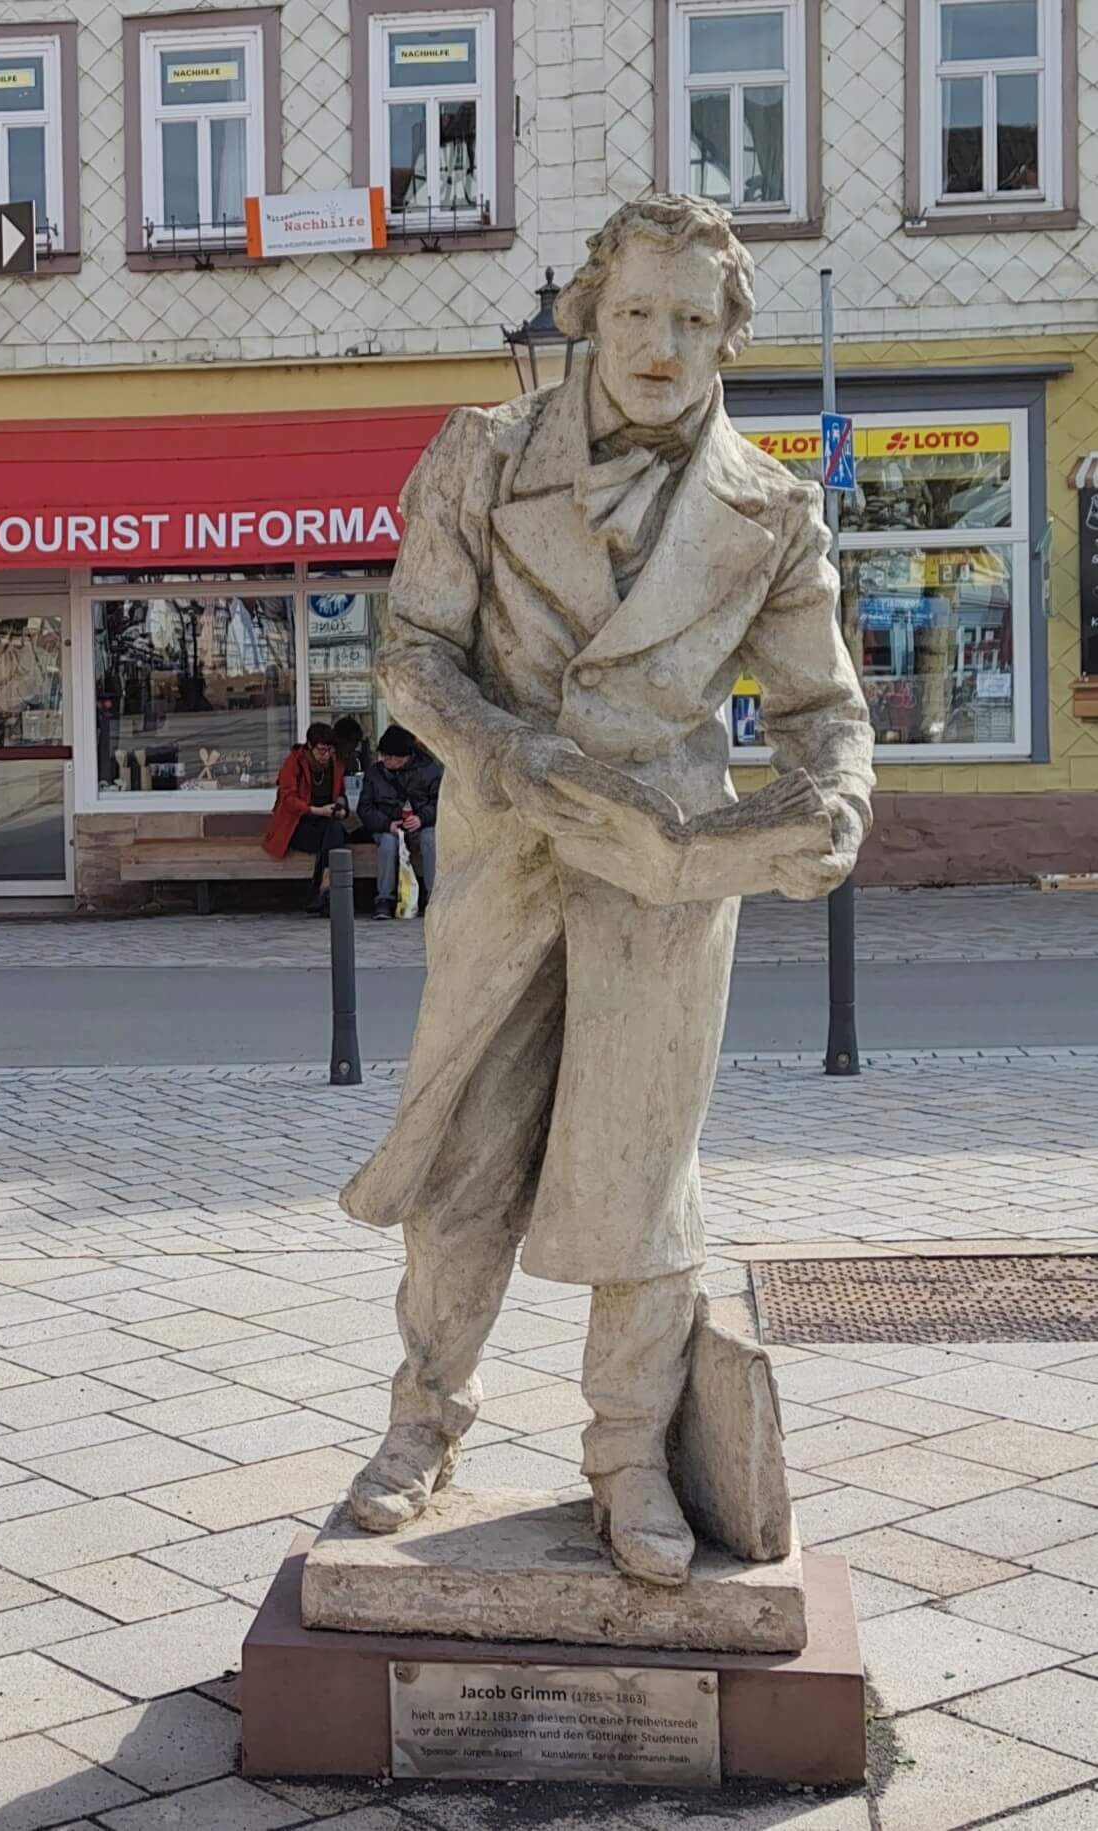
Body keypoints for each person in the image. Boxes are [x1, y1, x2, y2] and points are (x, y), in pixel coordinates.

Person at [338, 196, 874, 1587]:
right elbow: (408, 654)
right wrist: (506, 753)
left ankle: (626, 1453)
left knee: (640, 1179)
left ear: (724, 339)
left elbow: (823, 710)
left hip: (666, 865)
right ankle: (420, 1417)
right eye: (635, 310)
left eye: (689, 319)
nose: (657, 341)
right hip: (509, 850)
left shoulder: (767, 512)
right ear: (589, 308)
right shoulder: (480, 453)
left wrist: (831, 807)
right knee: (462, 1157)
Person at [261, 722, 348, 915]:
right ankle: (322, 892)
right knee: (334, 838)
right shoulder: (294, 762)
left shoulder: (335, 763)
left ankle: (322, 893)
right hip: (296, 825)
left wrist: (342, 809)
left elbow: (340, 792)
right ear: (310, 746)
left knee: (333, 833)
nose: (325, 755)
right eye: (321, 751)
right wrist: (315, 810)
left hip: (325, 821)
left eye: (329, 750)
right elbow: (288, 799)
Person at [358, 724, 441, 918]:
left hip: (421, 825)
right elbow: (365, 808)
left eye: (392, 757)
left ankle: (433, 896)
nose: (387, 761)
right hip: (388, 826)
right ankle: (384, 899)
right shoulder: (375, 773)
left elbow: (440, 801)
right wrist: (387, 824)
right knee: (387, 842)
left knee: (431, 839)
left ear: (405, 757)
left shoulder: (429, 770)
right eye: (385, 756)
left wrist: (422, 818)